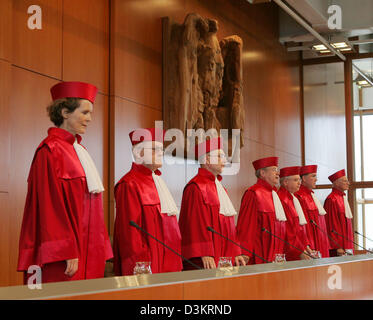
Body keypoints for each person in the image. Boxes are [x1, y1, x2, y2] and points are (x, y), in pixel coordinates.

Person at [17, 81, 113, 283]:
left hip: (89, 252)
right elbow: (49, 205)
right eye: (85, 112)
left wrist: (101, 249)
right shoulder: (49, 151)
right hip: (65, 257)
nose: (89, 119)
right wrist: (65, 249)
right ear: (64, 112)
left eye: (91, 114)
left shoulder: (81, 152)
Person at [113, 128, 182, 275]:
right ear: (139, 153)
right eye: (154, 149)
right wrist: (141, 266)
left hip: (169, 263)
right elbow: (130, 235)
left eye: (161, 149)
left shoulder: (159, 182)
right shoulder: (129, 184)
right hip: (147, 267)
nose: (161, 153)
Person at [178, 137, 245, 270]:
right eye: (220, 156)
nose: (225, 161)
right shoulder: (195, 187)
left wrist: (235, 250)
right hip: (207, 258)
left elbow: (229, 224)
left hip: (225, 255)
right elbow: (194, 224)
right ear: (207, 159)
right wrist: (204, 251)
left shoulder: (221, 188)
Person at [237, 157, 287, 264]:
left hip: (276, 254)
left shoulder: (274, 195)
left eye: (277, 170)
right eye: (273, 169)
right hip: (258, 253)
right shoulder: (253, 193)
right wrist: (244, 252)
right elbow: (246, 225)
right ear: (263, 173)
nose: (277, 173)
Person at [277, 166, 314, 260]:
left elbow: (300, 228)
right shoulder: (282, 199)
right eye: (295, 180)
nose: (299, 183)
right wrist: (299, 250)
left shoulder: (292, 198)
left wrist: (305, 246)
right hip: (290, 251)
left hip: (298, 248)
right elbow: (288, 230)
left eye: (299, 180)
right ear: (285, 182)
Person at [295, 165, 330, 258]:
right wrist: (308, 246)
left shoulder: (311, 195)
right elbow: (303, 226)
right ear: (304, 178)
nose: (316, 179)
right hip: (311, 245)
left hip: (320, 243)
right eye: (313, 176)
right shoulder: (299, 196)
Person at [324, 169, 354, 256]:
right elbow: (331, 224)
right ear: (336, 183)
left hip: (347, 243)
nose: (348, 183)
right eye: (345, 181)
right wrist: (338, 246)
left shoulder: (342, 197)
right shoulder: (332, 199)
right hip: (339, 247)